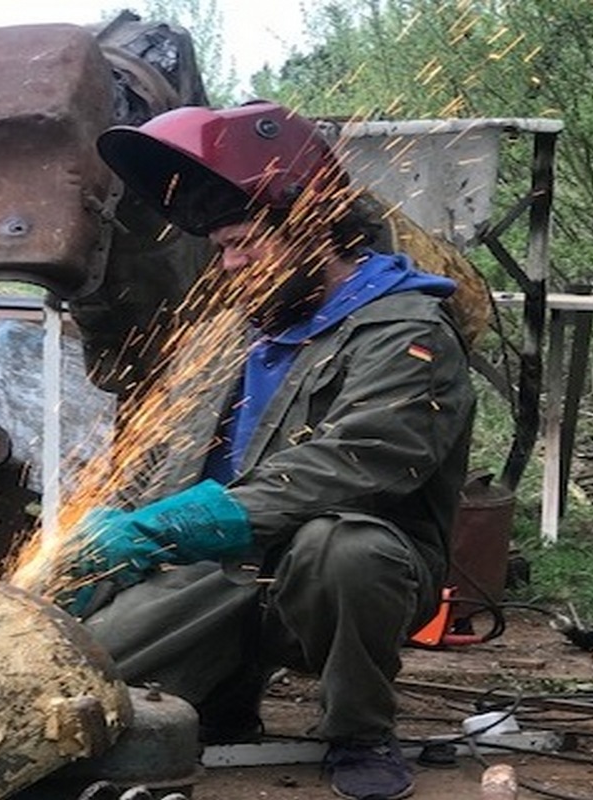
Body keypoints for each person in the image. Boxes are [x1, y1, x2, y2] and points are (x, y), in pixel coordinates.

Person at [62, 100, 477, 800]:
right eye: (223, 250)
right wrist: (112, 528)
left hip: (328, 581)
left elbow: (358, 462)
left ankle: (359, 731)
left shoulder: (407, 334)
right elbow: (162, 450)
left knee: (341, 547)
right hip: (221, 570)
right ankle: (221, 696)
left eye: (246, 243)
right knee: (77, 690)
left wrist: (172, 527)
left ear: (312, 227)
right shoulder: (232, 335)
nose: (232, 265)